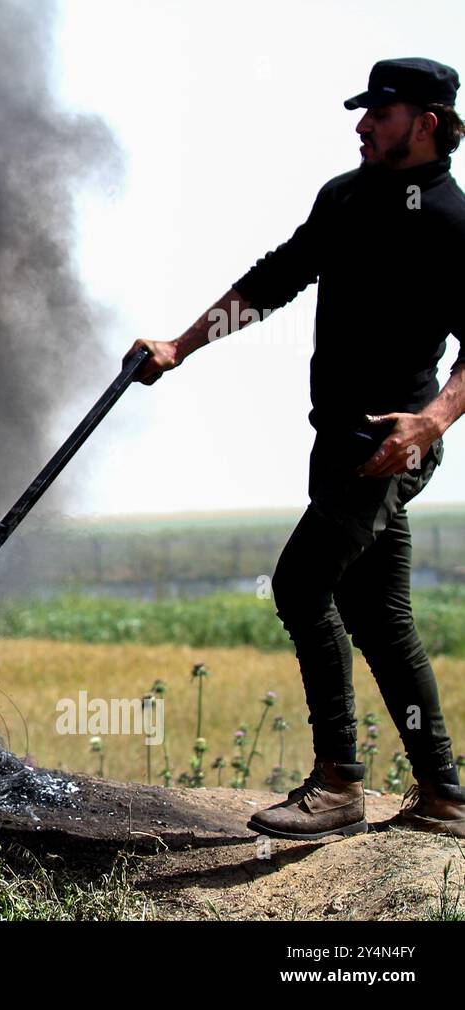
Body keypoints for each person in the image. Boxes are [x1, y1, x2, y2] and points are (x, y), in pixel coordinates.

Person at [126, 58, 465, 840]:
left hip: (388, 444)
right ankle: (445, 794)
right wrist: (180, 346)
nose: (362, 126)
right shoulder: (343, 200)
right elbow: (275, 278)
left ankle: (340, 782)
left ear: (427, 122)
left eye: (380, 114)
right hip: (332, 437)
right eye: (364, 113)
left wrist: (433, 422)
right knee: (378, 617)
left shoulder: (450, 221)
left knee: (299, 586)